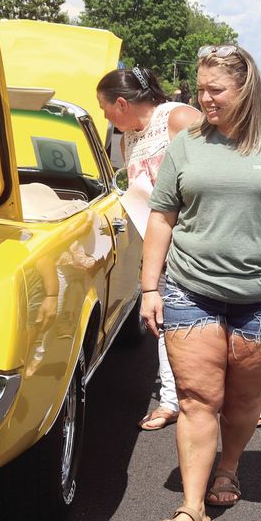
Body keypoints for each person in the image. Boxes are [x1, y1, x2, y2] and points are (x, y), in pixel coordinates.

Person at [141, 44, 261, 521]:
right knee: (199, 397)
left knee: (242, 400)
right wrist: (149, 286)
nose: (205, 99)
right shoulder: (187, 142)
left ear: (246, 89)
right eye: (200, 89)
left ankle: (230, 466)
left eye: (216, 90)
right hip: (190, 288)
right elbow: (162, 216)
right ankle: (192, 505)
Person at [96, 66, 202, 431]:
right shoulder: (128, 139)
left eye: (105, 108)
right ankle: (171, 400)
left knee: (224, 323)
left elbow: (224, 171)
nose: (105, 116)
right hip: (162, 245)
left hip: (202, 243)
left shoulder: (179, 118)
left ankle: (254, 394)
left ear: (122, 103)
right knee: (165, 321)